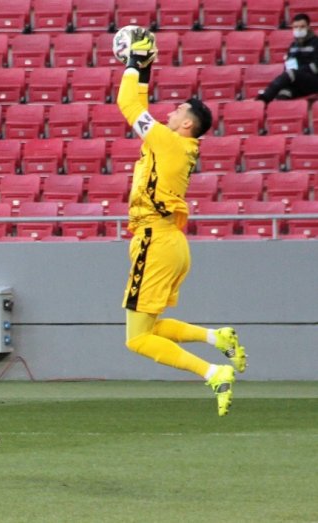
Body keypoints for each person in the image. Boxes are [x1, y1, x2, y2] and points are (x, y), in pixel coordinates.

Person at [116, 29, 247, 417]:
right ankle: (215, 336)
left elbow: (126, 102)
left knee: (137, 340)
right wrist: (146, 68)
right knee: (149, 329)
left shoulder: (168, 142)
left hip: (156, 240)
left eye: (176, 111)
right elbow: (138, 101)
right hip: (168, 241)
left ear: (186, 125)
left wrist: (132, 64)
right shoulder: (172, 144)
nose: (168, 113)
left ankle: (213, 371)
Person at [256, 13, 318, 103]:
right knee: (284, 93)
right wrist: (293, 73)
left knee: (291, 73)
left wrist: (297, 72)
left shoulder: (316, 43)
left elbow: (316, 66)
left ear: (308, 27)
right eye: (296, 27)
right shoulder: (293, 46)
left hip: (313, 81)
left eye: (302, 26)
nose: (299, 29)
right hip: (297, 80)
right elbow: (288, 64)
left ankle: (264, 99)